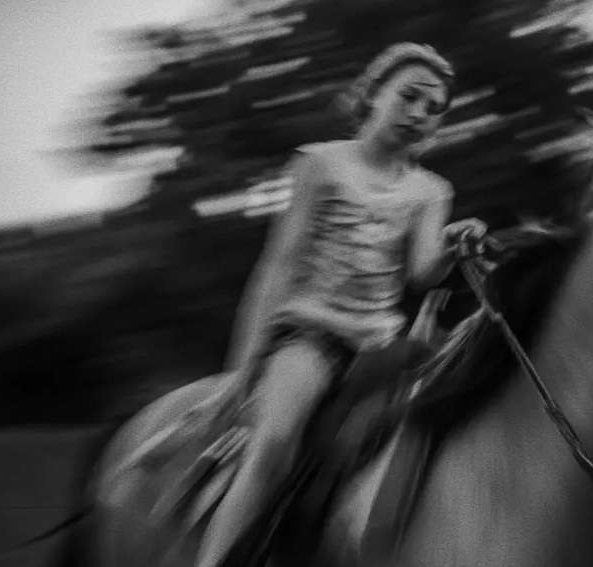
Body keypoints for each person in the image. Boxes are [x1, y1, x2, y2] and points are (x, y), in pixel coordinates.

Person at [194, 43, 487, 567]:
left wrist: (452, 242)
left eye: (434, 107)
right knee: (277, 439)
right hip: (312, 337)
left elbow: (422, 272)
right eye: (410, 96)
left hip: (382, 345)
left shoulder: (431, 190)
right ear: (373, 94)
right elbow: (277, 266)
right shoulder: (321, 164)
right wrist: (242, 369)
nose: (420, 113)